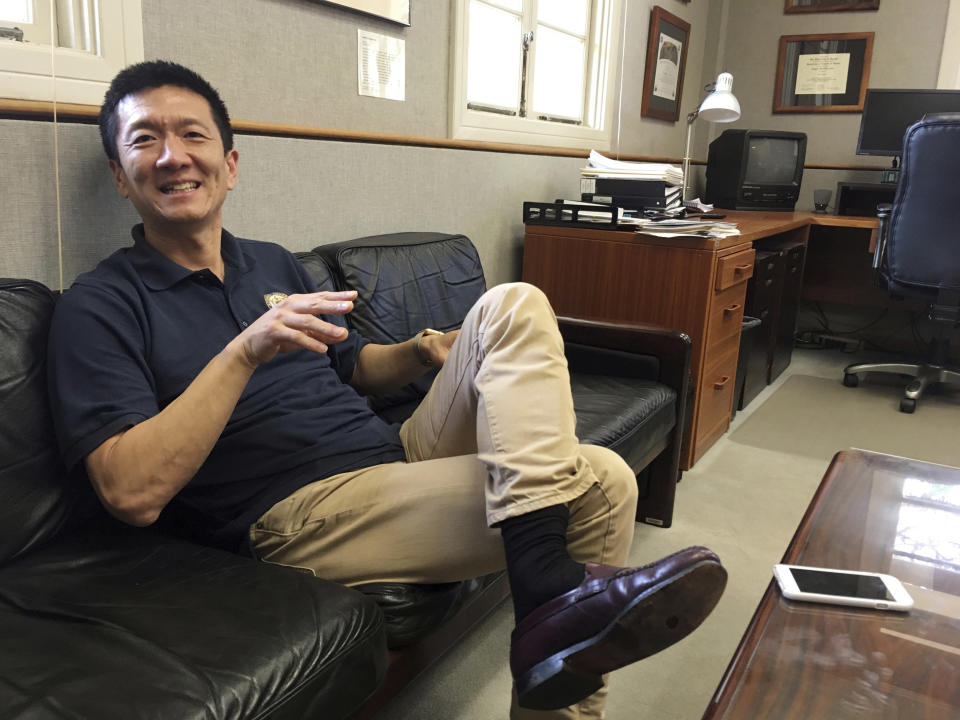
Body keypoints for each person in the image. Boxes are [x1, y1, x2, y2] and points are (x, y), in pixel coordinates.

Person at [47, 60, 727, 718]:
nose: (172, 156)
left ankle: (550, 605)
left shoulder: (272, 262)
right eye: (144, 140)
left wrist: (426, 351)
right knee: (601, 482)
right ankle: (550, 597)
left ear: (230, 164)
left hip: (392, 457)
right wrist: (245, 351)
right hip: (291, 513)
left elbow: (353, 367)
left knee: (514, 303)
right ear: (119, 176)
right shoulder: (101, 304)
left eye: (193, 135)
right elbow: (129, 492)